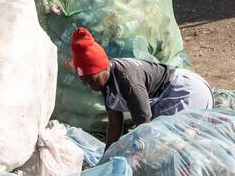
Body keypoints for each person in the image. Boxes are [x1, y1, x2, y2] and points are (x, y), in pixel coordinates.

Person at [71, 27, 213, 148]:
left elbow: (144, 122)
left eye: (92, 80)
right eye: (85, 82)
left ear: (104, 68)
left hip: (185, 92)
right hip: (165, 99)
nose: (90, 86)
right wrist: (106, 159)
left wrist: (139, 153)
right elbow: (115, 123)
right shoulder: (106, 84)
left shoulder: (127, 80)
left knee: (171, 143)